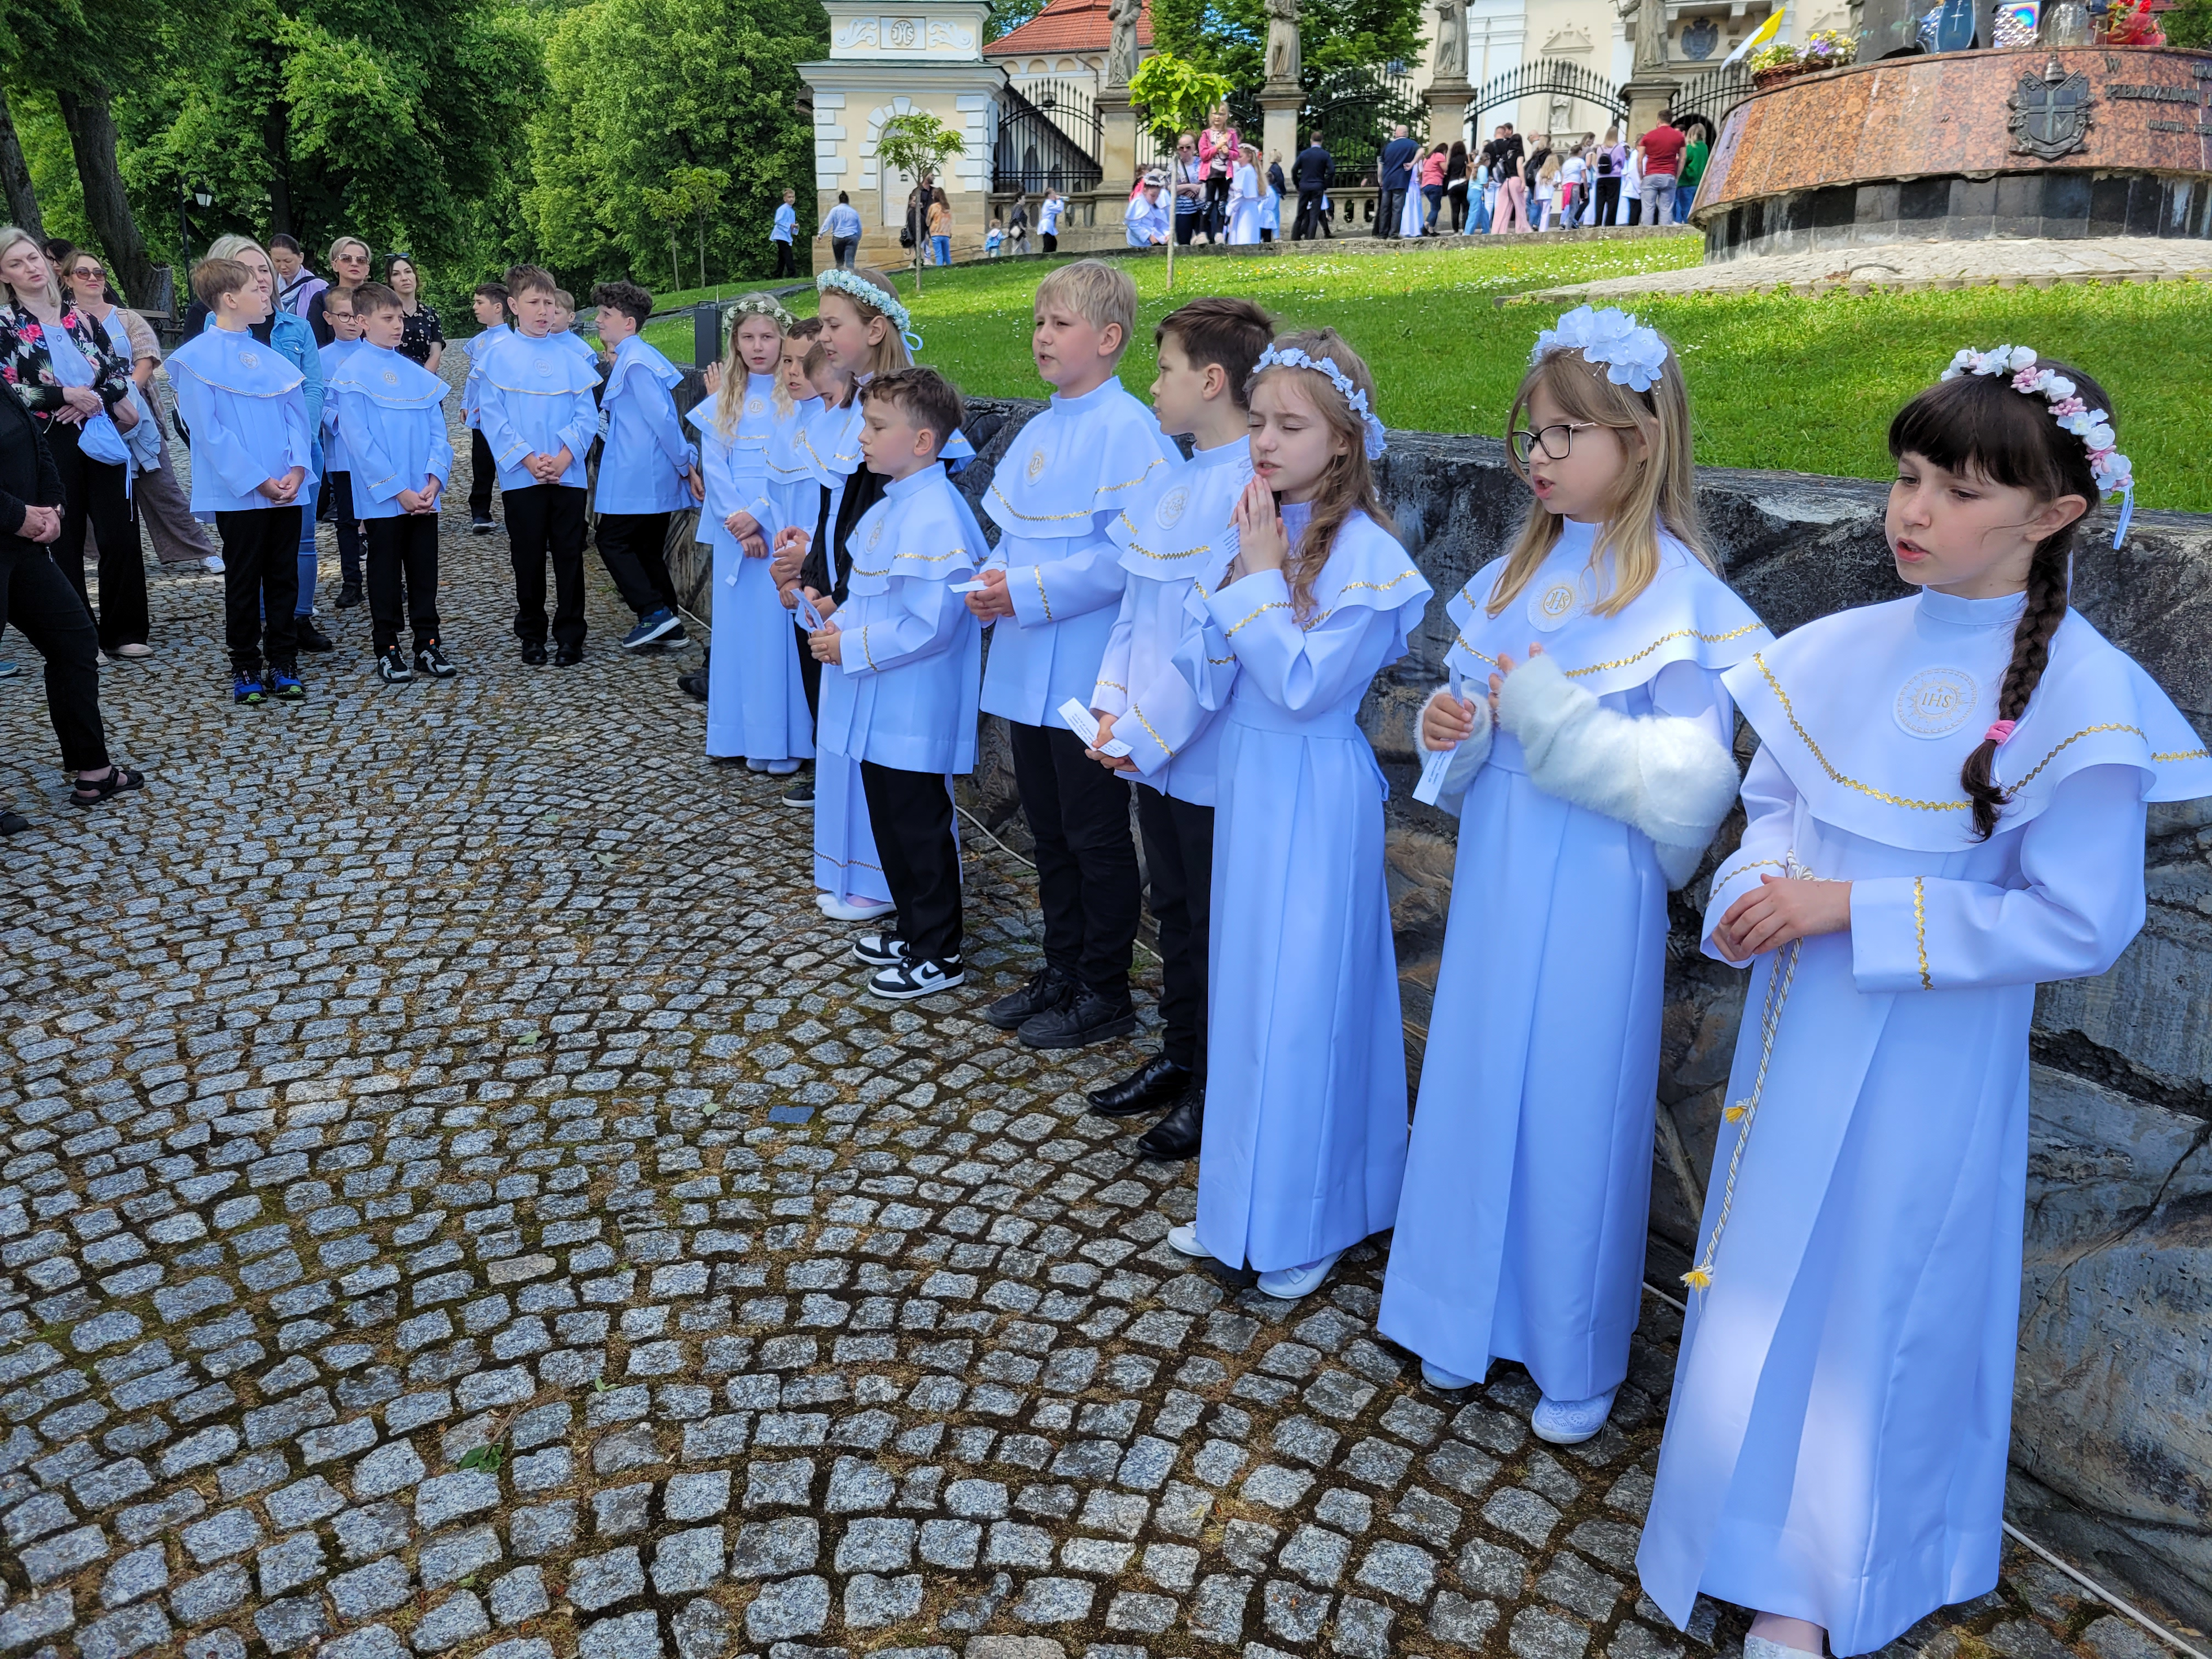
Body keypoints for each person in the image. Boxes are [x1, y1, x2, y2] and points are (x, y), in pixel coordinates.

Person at [1637, 346, 2212, 1659]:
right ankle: (1724, 1512)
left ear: (2053, 513)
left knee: (1878, 1292)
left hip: (1931, 1052)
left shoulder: (2077, 694)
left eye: (1956, 491)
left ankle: (1824, 1571)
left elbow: (2076, 917)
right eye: (1905, 478)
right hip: (1797, 1025)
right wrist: (1759, 876)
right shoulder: (1839, 650)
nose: (1912, 512)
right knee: (1763, 1266)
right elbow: (1776, 805)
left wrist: (1852, 910)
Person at [1379, 303, 1768, 1431]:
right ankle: (1465, 1313)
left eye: (1562, 435)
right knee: (1480, 1074)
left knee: (1576, 1106)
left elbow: (1692, 788)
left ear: (1638, 443)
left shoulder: (1683, 597)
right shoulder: (1521, 572)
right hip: (1506, 864)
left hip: (1601, 884)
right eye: (1533, 436)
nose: (1538, 457)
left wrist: (1545, 715)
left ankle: (1573, 1352)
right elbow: (1486, 718)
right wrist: (1466, 728)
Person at [1164, 328, 1431, 1301]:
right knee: (1248, 997)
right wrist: (1236, 587)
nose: (1264, 443)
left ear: (1345, 441)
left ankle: (1313, 1213)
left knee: (1308, 1003)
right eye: (1260, 424)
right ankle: (1239, 1202)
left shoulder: (1369, 556)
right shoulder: (1260, 525)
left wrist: (1260, 583)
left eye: (1289, 426)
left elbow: (1305, 688)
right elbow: (1219, 662)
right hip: (1254, 783)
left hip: (1316, 793)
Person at [1085, 295, 1274, 1161]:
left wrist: (1147, 731)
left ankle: (1213, 1085)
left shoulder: (1251, 492)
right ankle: (1178, 1053)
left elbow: (1217, 642)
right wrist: (1107, 702)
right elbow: (1133, 610)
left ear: (1211, 380)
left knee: (1210, 919)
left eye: (1162, 370)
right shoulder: (1170, 478)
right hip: (1151, 745)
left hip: (1208, 749)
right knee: (1174, 908)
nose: (1152, 386)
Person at [970, 260, 1173, 1050]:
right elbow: (1017, 532)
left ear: (1110, 337)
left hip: (1088, 665)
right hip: (1029, 661)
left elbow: (1128, 558)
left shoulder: (1131, 433)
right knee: (1047, 830)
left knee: (1093, 836)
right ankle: (1060, 967)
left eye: (1059, 323)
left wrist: (1024, 589)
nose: (1042, 336)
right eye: (1039, 322)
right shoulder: (1043, 426)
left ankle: (1104, 987)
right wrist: (993, 575)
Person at [810, 366, 986, 1001]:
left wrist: (850, 645)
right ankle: (915, 930)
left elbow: (931, 625)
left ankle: (940, 951)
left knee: (918, 826)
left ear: (921, 442)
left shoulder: (936, 516)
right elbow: (877, 598)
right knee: (890, 820)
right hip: (880, 702)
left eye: (876, 425)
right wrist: (840, 617)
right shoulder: (895, 506)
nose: (862, 436)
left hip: (914, 706)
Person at [778, 267, 924, 899]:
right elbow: (834, 512)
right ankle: (856, 875)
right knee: (845, 746)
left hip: (877, 608)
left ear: (875, 327)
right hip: (839, 596)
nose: (824, 336)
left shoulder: (906, 411)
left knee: (888, 762)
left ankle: (893, 889)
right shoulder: (853, 406)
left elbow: (887, 519)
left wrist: (839, 587)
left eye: (834, 324)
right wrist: (810, 568)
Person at [167, 256, 315, 704]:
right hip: (241, 493)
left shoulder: (270, 357)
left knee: (284, 575)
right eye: (257, 286)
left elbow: (296, 417)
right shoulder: (195, 361)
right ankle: (246, 664)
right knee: (245, 579)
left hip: (287, 487)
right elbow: (208, 432)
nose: (265, 290)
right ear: (230, 299)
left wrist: (295, 470)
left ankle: (285, 659)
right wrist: (258, 480)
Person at [0, 379, 142, 825]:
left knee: (75, 642)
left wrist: (53, 505)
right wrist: (18, 516)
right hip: (10, 529)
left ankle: (94, 770)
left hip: (22, 546)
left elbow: (32, 439)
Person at [0, 228, 145, 661]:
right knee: (64, 538)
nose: (30, 268)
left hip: (99, 429)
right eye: (17, 263)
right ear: (5, 275)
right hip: (47, 437)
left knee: (120, 532)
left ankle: (126, 629)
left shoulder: (84, 319)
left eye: (33, 259)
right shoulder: (6, 327)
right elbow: (9, 390)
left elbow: (120, 373)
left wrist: (95, 398)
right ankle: (80, 631)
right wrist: (64, 396)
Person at [201, 234, 333, 652]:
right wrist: (256, 472)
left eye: (264, 269)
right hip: (242, 467)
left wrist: (297, 453)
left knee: (296, 549)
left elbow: (309, 390)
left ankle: (294, 627)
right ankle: (250, 640)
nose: (261, 278)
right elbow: (209, 418)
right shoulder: (210, 340)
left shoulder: (294, 329)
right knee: (247, 556)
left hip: (294, 457)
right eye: (248, 270)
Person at [698, 294, 810, 775]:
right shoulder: (725, 398)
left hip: (776, 527)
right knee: (738, 635)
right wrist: (736, 521)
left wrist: (760, 517)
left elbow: (794, 462)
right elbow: (714, 463)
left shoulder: (795, 398)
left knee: (775, 639)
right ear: (735, 341)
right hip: (734, 536)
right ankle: (736, 733)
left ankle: (781, 739)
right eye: (748, 337)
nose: (758, 346)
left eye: (767, 337)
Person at [62, 246, 218, 575]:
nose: (93, 278)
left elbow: (146, 359)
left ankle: (197, 549)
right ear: (67, 279)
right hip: (84, 415)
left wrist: (122, 394)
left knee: (161, 484)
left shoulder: (126, 318)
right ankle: (87, 552)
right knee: (90, 487)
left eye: (99, 273)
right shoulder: (59, 320)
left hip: (135, 413)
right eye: (83, 273)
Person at [331, 281, 455, 683]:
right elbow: (359, 441)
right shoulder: (351, 376)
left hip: (422, 492)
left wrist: (435, 477)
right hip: (386, 496)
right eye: (388, 318)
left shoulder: (415, 373)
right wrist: (398, 490)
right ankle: (387, 648)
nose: (398, 325)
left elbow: (438, 428)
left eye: (400, 317)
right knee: (384, 571)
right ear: (363, 322)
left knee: (425, 569)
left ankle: (428, 645)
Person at [476, 265, 599, 666]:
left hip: (568, 473)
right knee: (526, 556)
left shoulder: (572, 356)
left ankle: (570, 635)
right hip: (521, 476)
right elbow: (494, 418)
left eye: (549, 302)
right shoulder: (497, 358)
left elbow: (586, 415)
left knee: (569, 555)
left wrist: (564, 458)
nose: (544, 311)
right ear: (513, 305)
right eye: (534, 303)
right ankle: (531, 633)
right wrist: (529, 459)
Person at [590, 279, 698, 653]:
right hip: (648, 472)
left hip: (640, 474)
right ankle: (670, 623)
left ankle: (654, 612)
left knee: (612, 540)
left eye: (607, 314)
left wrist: (685, 462)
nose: (599, 321)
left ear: (629, 323)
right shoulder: (636, 357)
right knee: (647, 547)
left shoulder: (635, 363)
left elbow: (664, 420)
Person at [316, 286, 368, 609]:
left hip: (377, 452)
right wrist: (343, 420)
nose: (351, 323)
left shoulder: (376, 354)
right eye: (343, 316)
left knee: (382, 520)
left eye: (355, 316)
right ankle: (352, 581)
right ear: (329, 317)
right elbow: (316, 402)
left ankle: (390, 578)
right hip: (344, 453)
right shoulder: (320, 360)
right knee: (347, 520)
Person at [462, 281, 510, 535]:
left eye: (480, 303)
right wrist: (465, 404)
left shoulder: (512, 341)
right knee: (481, 464)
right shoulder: (479, 342)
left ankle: (515, 509)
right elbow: (473, 377)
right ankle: (480, 511)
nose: (475, 308)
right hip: (480, 414)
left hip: (503, 414)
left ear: (498, 307)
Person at [305, 234, 372, 346]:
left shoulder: (378, 299)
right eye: (346, 259)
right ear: (334, 265)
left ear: (367, 269)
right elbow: (316, 344)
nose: (354, 263)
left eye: (361, 260)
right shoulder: (322, 299)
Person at [383, 255, 444, 372]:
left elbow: (435, 355)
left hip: (426, 380)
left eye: (408, 272)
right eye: (396, 274)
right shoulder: (384, 314)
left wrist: (421, 381)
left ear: (415, 276)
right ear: (390, 281)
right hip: (394, 378)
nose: (404, 278)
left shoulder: (430, 315)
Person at [1198, 104, 1240, 241]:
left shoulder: (1231, 134)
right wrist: (1216, 148)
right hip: (1211, 173)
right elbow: (1203, 155)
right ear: (1210, 115)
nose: (1217, 116)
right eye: (1215, 113)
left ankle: (1219, 233)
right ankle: (1203, 232)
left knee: (1222, 203)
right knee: (1209, 202)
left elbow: (1236, 154)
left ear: (1226, 116)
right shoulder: (1206, 134)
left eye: (1221, 114)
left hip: (1226, 173)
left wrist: (1229, 153)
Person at [1637, 113, 1686, 227]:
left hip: (1651, 174)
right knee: (1666, 209)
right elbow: (1683, 158)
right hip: (1669, 174)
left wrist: (1641, 176)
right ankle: (1664, 235)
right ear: (1671, 121)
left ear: (1658, 121)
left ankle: (1646, 234)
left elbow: (1640, 159)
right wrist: (1677, 176)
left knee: (1648, 208)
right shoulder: (1679, 137)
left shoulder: (1648, 136)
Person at [268, 234, 327, 321]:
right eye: (277, 261)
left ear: (300, 258)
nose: (283, 267)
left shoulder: (319, 287)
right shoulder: (268, 284)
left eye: (288, 261)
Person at [1291, 130, 1333, 240]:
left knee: (1300, 213)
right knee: (1314, 215)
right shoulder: (1325, 155)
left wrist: (1297, 184)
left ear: (1311, 141)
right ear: (1322, 141)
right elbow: (1332, 171)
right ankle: (1310, 238)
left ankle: (1295, 237)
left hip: (1304, 186)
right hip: (1318, 186)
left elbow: (1294, 170)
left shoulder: (1304, 154)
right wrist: (1325, 184)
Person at [1377, 123, 1418, 238]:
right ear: (1406, 133)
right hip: (1400, 181)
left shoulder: (1388, 146)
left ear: (1396, 133)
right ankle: (1394, 233)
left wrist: (1380, 179)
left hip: (1388, 180)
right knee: (1397, 208)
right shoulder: (1411, 144)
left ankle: (1382, 233)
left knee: (1385, 208)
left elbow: (1381, 164)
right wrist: (1412, 163)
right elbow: (1421, 151)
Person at [1170, 134, 1206, 247]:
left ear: (1194, 148)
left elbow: (1209, 183)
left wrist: (1198, 188)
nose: (1185, 151)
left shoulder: (1202, 163)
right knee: (1184, 242)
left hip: (1201, 208)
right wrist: (1191, 187)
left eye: (1188, 147)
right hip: (1182, 210)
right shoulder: (1173, 166)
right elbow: (1170, 188)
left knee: (1204, 240)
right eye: (1181, 148)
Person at [1226, 143, 1263, 245]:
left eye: (1240, 157)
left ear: (1249, 156)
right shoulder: (1252, 170)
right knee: (1249, 230)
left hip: (1244, 207)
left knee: (1244, 230)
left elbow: (1241, 194)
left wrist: (1230, 208)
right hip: (1249, 207)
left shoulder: (1246, 171)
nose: (1238, 160)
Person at [818, 191, 863, 271]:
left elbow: (828, 222)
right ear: (848, 201)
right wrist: (858, 237)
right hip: (852, 237)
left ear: (839, 201)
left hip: (838, 237)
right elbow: (859, 227)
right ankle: (851, 279)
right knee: (850, 262)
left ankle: (839, 278)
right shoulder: (854, 212)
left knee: (839, 262)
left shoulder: (835, 210)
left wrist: (821, 233)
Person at [1676, 121, 1710, 222]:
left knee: (1686, 208)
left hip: (1686, 182)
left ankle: (1687, 227)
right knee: (1697, 209)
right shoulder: (1705, 147)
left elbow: (1683, 161)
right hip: (1700, 182)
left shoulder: (1690, 148)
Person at [1124, 173, 1169, 247]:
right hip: (1138, 242)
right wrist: (1148, 236)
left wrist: (1167, 233)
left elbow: (1161, 222)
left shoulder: (1157, 204)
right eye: (1153, 195)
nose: (1155, 199)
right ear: (1145, 191)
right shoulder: (1138, 203)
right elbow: (1133, 225)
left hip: (1155, 238)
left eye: (1158, 196)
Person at [1593, 128, 1624, 227]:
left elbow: (1598, 161)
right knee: (1613, 202)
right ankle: (1609, 224)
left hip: (1601, 177)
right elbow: (1622, 163)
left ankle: (1597, 223)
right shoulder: (1619, 148)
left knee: (1600, 201)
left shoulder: (1600, 148)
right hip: (1614, 177)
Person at [1421, 141, 1448, 231]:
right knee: (1436, 208)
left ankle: (1431, 229)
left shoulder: (1428, 158)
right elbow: (1445, 168)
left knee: (1434, 207)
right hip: (1435, 184)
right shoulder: (1439, 156)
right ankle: (1426, 225)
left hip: (1426, 185)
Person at [1444, 139, 1471, 232]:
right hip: (1464, 184)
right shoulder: (1466, 158)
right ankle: (1465, 228)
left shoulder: (1452, 160)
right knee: (1466, 208)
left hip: (1453, 186)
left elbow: (1448, 174)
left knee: (1455, 210)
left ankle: (1455, 229)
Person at [772, 187, 799, 277]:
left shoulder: (792, 211)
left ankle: (778, 274)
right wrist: (790, 226)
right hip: (780, 234)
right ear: (785, 199)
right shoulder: (783, 209)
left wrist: (795, 228)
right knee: (787, 253)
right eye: (789, 197)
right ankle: (792, 273)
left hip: (785, 235)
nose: (791, 199)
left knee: (782, 256)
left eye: (793, 197)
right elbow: (778, 221)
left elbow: (792, 225)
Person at [1259, 156, 1283, 243]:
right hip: (1271, 216)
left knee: (1261, 234)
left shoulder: (1264, 191)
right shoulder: (1275, 193)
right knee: (1268, 235)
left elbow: (1261, 205)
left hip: (1262, 216)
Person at [928, 187, 952, 267]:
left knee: (939, 254)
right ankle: (950, 268)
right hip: (946, 234)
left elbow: (928, 221)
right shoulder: (947, 207)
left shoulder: (934, 207)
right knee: (947, 254)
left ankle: (940, 269)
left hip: (936, 233)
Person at [1038, 188, 1065, 256]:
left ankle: (1049, 254)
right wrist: (1059, 201)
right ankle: (1047, 255)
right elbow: (1059, 209)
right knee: (1049, 241)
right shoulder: (1049, 204)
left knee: (1052, 241)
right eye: (1054, 194)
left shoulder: (1049, 203)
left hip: (1048, 224)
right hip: (1047, 224)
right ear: (1049, 195)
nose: (1055, 195)